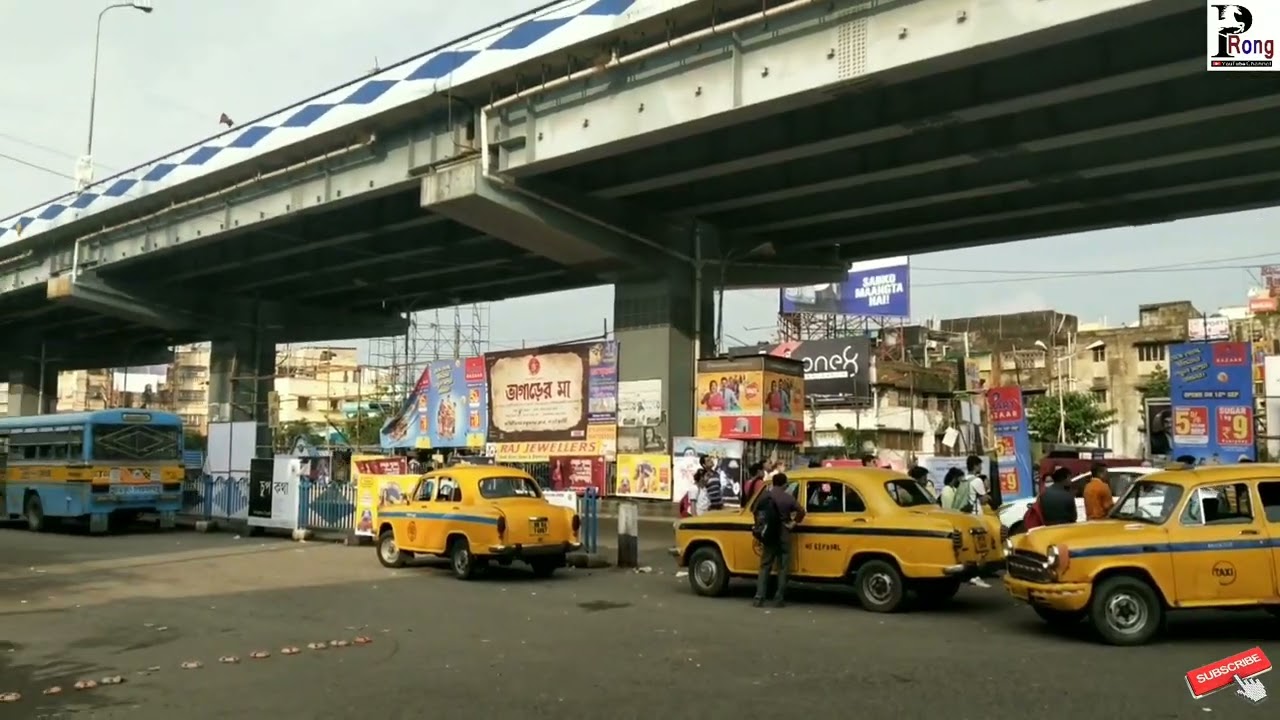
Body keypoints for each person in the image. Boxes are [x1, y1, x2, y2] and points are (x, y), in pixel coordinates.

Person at [752, 472, 804, 608]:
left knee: (765, 566)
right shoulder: (788, 498)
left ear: (773, 482)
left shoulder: (764, 496)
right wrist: (793, 523)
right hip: (784, 533)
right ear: (785, 484)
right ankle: (779, 598)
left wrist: (760, 526)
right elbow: (801, 511)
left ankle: (759, 598)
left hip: (769, 533)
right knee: (783, 567)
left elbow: (755, 511)